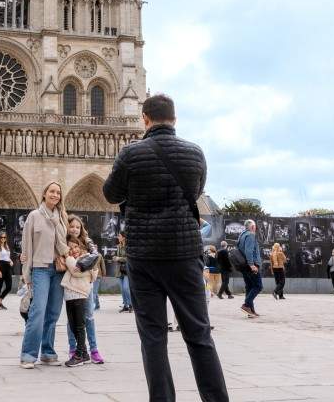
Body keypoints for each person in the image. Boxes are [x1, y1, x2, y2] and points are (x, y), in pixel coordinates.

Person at [103, 93, 228, 402]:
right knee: (199, 335)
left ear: (145, 119)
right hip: (184, 254)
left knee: (153, 338)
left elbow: (110, 193)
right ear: (174, 119)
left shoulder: (130, 154)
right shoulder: (195, 153)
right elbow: (195, 191)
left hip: (144, 256)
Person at [19, 182, 69, 369]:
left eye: (58, 192)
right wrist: (27, 274)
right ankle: (28, 355)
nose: (55, 195)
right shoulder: (34, 216)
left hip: (59, 270)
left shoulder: (62, 217)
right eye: (52, 191)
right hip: (40, 268)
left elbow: (65, 244)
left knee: (53, 313)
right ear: (44, 194)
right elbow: (27, 246)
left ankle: (48, 352)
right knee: (37, 312)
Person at [65, 214, 104, 364]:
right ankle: (73, 349)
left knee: (89, 316)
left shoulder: (88, 244)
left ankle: (93, 350)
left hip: (87, 285)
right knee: (72, 320)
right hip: (72, 286)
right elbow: (72, 267)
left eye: (77, 226)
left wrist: (89, 272)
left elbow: (94, 265)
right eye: (72, 226)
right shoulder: (65, 243)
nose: (74, 229)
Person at [61, 237, 98, 367]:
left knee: (79, 325)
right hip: (69, 295)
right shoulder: (69, 259)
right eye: (70, 248)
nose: (73, 250)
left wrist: (86, 269)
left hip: (80, 295)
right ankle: (84, 354)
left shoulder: (87, 257)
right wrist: (88, 269)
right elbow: (75, 270)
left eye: (76, 247)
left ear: (80, 247)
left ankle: (79, 354)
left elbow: (92, 274)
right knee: (72, 324)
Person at [238, 219, 263, 317]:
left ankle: (250, 311)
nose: (255, 227)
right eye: (255, 226)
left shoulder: (242, 236)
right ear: (252, 227)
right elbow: (249, 251)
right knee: (258, 286)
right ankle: (246, 304)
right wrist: (252, 265)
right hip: (251, 265)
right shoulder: (250, 235)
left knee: (249, 287)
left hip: (244, 265)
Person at [0, 232, 13, 310]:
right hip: (0, 266)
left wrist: (10, 261)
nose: (3, 239)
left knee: (9, 286)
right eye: (1, 237)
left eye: (4, 237)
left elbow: (7, 257)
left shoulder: (7, 246)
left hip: (7, 266)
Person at [114, 232, 132, 313]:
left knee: (126, 288)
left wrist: (118, 258)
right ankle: (126, 305)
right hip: (119, 270)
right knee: (122, 289)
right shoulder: (119, 246)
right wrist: (115, 258)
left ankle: (131, 304)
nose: (118, 237)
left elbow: (128, 258)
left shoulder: (128, 247)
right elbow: (118, 257)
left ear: (124, 237)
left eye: (119, 236)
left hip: (127, 270)